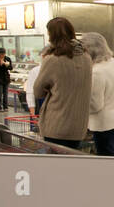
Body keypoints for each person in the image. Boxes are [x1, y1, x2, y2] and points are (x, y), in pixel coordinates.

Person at [32, 17, 93, 150]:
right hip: (78, 126)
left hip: (57, 124)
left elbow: (38, 91)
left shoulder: (53, 60)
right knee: (71, 166)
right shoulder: (87, 57)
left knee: (55, 167)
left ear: (52, 36)